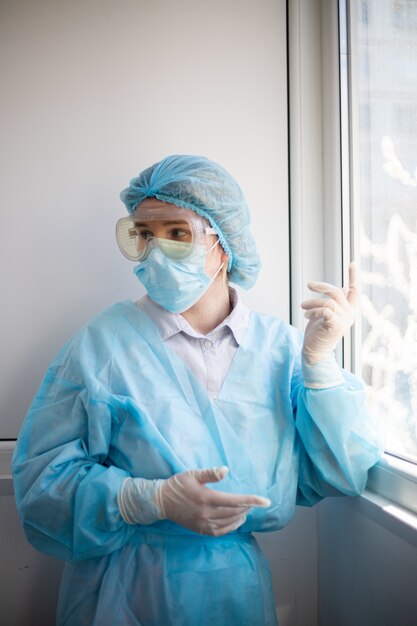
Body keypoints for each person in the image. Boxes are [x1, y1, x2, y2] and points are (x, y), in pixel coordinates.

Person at [12, 155, 383, 626]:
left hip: (235, 594)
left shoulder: (282, 349)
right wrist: (149, 500)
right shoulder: (102, 343)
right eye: (144, 235)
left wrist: (319, 364)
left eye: (177, 233)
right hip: (122, 593)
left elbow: (343, 474)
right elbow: (41, 488)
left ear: (223, 245)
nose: (155, 250)